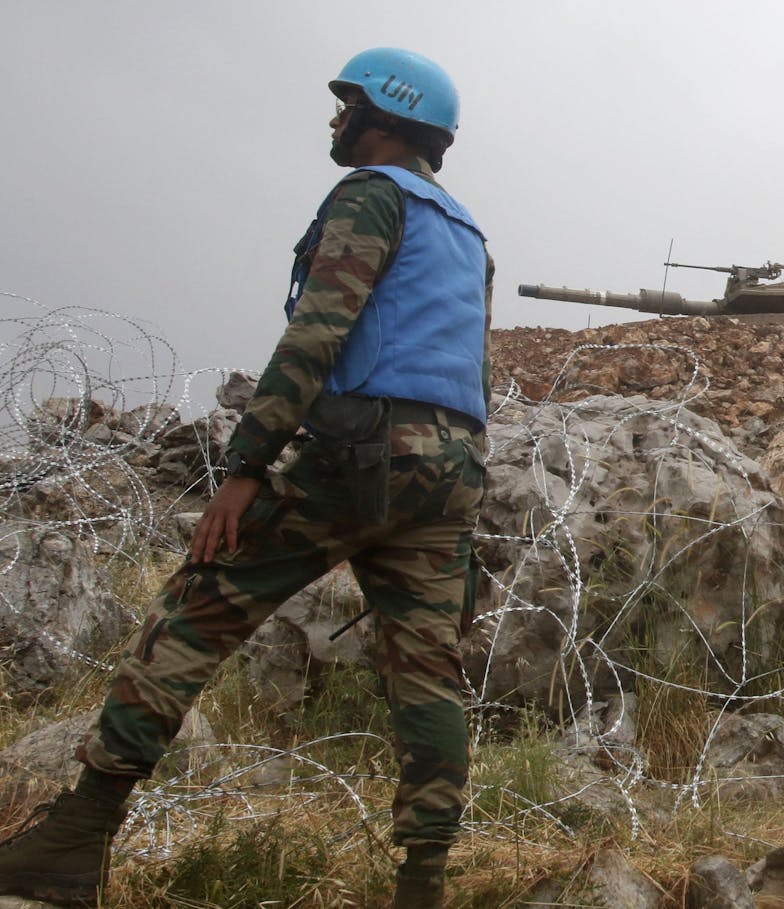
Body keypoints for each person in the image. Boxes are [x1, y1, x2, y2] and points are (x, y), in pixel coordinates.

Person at [0, 47, 492, 909]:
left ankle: (75, 837)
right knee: (427, 671)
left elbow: (318, 332)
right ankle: (422, 885)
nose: (336, 120)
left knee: (199, 604)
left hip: (359, 452)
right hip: (452, 468)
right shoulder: (466, 231)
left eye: (348, 106)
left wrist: (246, 465)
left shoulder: (371, 196)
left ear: (386, 116)